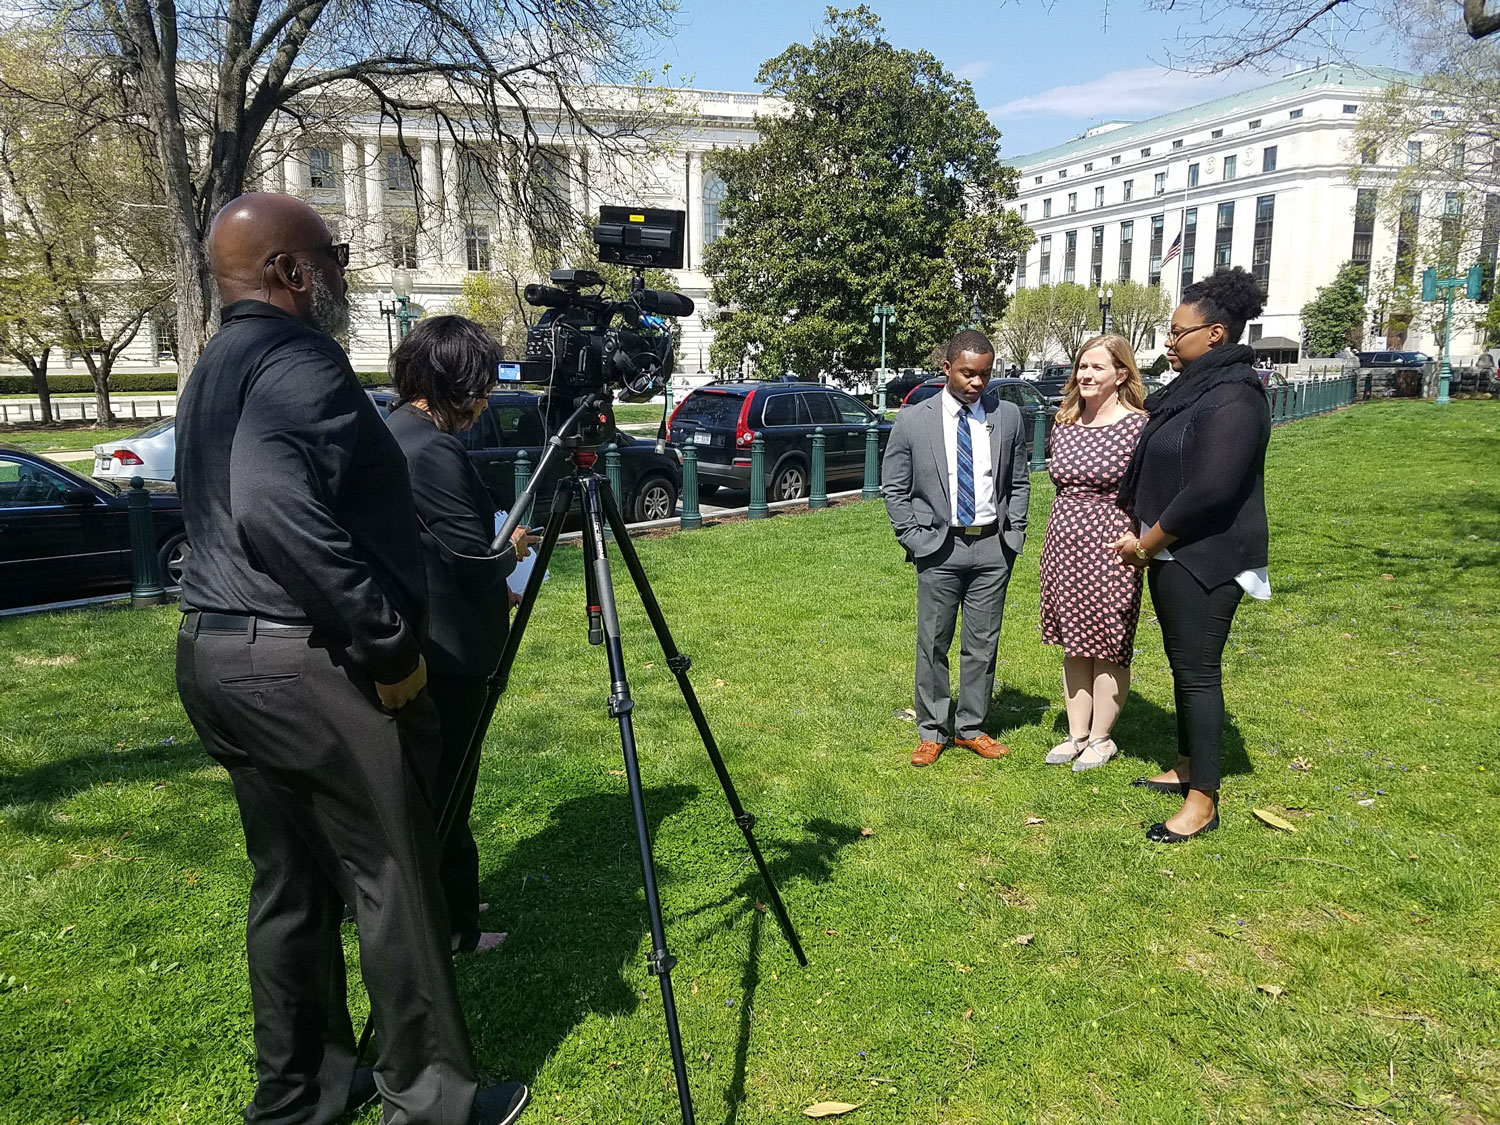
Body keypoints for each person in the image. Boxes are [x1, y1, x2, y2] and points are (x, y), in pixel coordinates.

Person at [173, 193, 528, 1125]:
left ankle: (301, 1095)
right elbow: (270, 504)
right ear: (290, 272)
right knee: (393, 878)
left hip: (218, 655)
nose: (341, 269)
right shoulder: (299, 358)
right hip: (302, 663)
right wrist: (385, 642)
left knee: (290, 886)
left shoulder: (215, 364)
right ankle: (436, 1099)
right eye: (330, 254)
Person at [384, 315, 536, 955]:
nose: (485, 402)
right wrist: (513, 550)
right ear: (454, 383)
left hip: (425, 636)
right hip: (450, 652)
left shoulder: (396, 429)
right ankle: (452, 928)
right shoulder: (433, 449)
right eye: (482, 387)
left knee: (431, 782)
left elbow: (434, 546)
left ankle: (444, 905)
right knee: (448, 787)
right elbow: (473, 560)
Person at [1113, 267, 1272, 843]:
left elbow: (1212, 489)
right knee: (1184, 667)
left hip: (1206, 557)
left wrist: (1147, 542)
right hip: (1174, 554)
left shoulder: (1235, 396)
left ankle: (1203, 801)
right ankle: (1186, 765)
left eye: (1178, 332)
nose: (1169, 341)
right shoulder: (1195, 389)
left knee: (1199, 673)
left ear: (1216, 335)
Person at [882, 328, 1031, 767]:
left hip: (992, 547)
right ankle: (932, 730)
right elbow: (895, 487)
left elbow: (1019, 481)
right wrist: (912, 537)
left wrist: (1014, 532)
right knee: (934, 642)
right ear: (947, 368)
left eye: (985, 374)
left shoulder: (1007, 416)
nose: (977, 382)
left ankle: (971, 727)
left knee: (982, 643)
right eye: (968, 373)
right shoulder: (914, 420)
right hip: (938, 548)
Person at [1038, 335, 1148, 771]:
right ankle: (1076, 734)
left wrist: (1140, 541)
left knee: (1109, 642)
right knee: (1075, 640)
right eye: (1082, 366)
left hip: (1112, 544)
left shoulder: (1137, 426)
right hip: (1064, 543)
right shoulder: (1064, 421)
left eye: (1096, 367)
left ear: (1121, 374)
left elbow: (1150, 489)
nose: (1085, 374)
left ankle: (1102, 738)